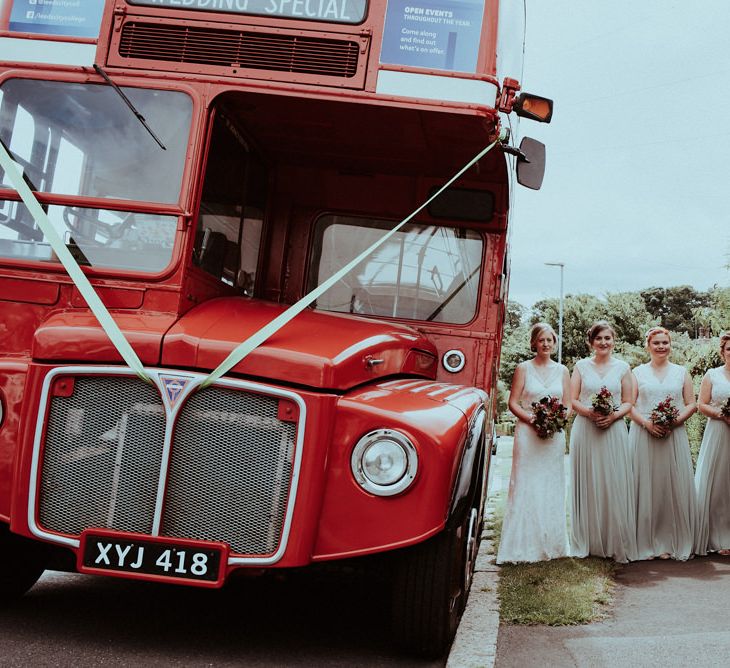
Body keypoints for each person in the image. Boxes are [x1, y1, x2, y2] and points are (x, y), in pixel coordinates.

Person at [497, 322, 571, 564]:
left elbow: (568, 405)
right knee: (526, 483)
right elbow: (514, 403)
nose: (546, 344)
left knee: (550, 485)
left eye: (550, 340)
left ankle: (551, 544)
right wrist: (533, 419)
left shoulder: (563, 371)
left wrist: (556, 420)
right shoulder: (523, 368)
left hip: (553, 437)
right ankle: (522, 545)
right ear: (534, 343)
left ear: (555, 343)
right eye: (541, 340)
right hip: (528, 434)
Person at [569, 321, 638, 563]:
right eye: (599, 338)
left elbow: (629, 401)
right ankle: (587, 540)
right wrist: (589, 413)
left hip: (614, 429)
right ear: (591, 342)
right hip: (585, 429)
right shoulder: (580, 366)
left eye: (608, 338)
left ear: (613, 340)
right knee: (588, 480)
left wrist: (613, 416)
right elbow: (572, 398)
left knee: (613, 481)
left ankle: (613, 538)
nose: (604, 342)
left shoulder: (623, 367)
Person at [629, 326, 697, 560]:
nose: (661, 346)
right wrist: (648, 424)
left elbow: (691, 403)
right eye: (656, 343)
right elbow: (630, 405)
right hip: (643, 434)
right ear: (647, 346)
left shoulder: (681, 372)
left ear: (670, 345)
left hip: (673, 434)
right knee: (646, 486)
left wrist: (673, 422)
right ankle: (645, 542)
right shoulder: (636, 373)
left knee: (671, 486)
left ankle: (671, 540)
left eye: (665, 343)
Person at [694, 332, 730, 556]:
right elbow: (701, 404)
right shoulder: (712, 375)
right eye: (729, 349)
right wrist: (722, 415)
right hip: (718, 431)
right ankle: (718, 536)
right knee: (718, 484)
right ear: (723, 351)